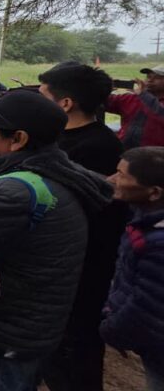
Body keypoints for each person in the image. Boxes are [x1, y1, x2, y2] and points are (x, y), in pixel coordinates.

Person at [0, 90, 112, 390]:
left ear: (18, 140)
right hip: (28, 326)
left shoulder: (15, 191)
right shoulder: (40, 170)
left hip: (2, 336)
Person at [37, 63, 127, 391]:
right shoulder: (57, 139)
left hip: (84, 267)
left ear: (65, 103)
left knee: (77, 349)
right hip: (58, 265)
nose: (38, 100)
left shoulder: (98, 147)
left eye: (43, 94)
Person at [100, 147, 164, 391]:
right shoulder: (145, 222)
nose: (113, 179)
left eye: (122, 175)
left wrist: (112, 329)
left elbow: (147, 305)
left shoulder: (157, 245)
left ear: (154, 192)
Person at [106, 64, 164, 149]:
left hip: (156, 157)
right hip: (125, 154)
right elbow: (101, 103)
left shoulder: (142, 96)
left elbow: (159, 112)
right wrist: (105, 88)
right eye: (148, 77)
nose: (150, 80)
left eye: (157, 77)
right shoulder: (132, 98)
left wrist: (144, 95)